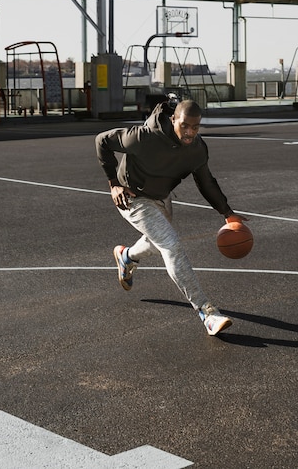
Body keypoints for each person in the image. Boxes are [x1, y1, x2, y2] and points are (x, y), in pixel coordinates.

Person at [95, 99, 246, 336]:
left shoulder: (196, 149)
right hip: (132, 198)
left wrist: (227, 213)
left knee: (157, 243)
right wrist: (114, 184)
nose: (189, 132)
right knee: (171, 246)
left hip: (161, 198)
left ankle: (126, 256)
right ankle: (207, 312)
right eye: (185, 125)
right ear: (174, 119)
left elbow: (205, 181)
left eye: (195, 127)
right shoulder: (145, 137)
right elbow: (102, 140)